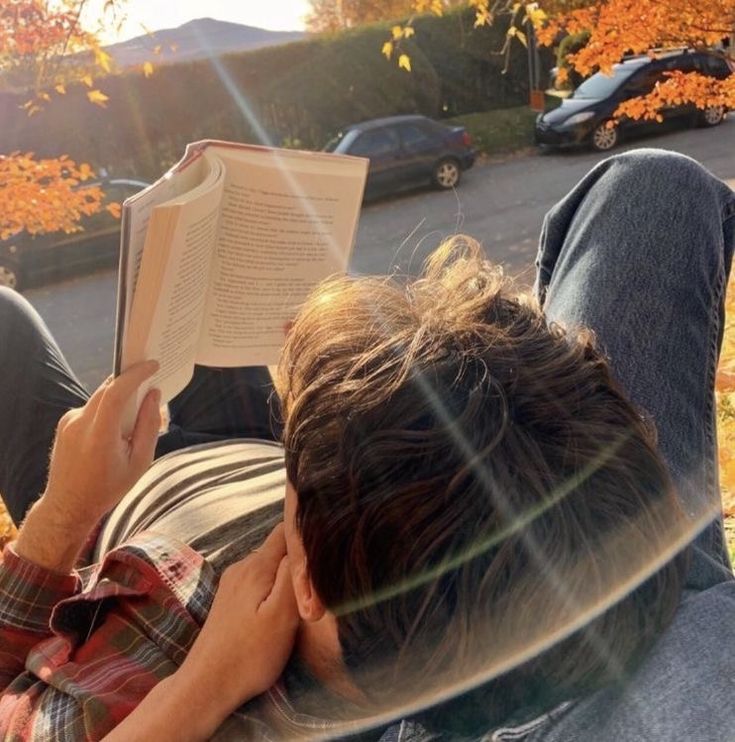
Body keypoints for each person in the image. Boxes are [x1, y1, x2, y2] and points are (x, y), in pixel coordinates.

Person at [0, 148, 734, 741]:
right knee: (654, 188)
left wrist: (65, 511)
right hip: (277, 487)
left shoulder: (211, 703)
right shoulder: (614, 590)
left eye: (298, 452)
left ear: (310, 586)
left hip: (118, 508)